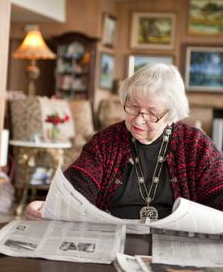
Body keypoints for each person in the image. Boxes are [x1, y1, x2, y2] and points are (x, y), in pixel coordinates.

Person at [26, 63, 223, 222]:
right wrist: (48, 207)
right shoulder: (105, 143)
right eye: (133, 107)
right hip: (113, 238)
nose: (138, 120)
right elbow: (78, 188)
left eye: (151, 113)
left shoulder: (196, 146)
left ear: (172, 115)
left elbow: (218, 194)